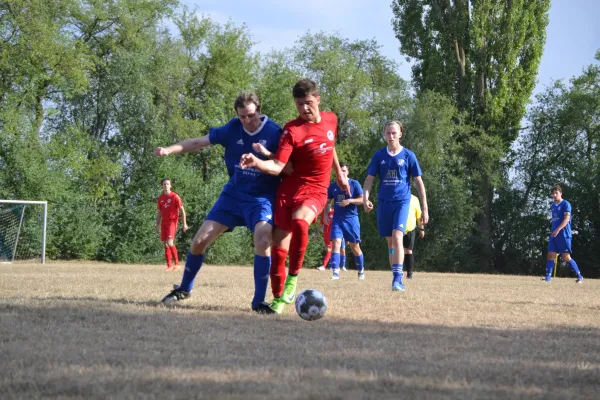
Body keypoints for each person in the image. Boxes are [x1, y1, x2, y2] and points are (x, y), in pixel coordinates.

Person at [153, 92, 283, 314]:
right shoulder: (232, 128)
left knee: (263, 240)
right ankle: (184, 289)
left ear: (258, 110)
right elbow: (198, 142)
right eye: (242, 116)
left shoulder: (275, 132)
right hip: (232, 196)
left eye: (250, 115)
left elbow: (284, 165)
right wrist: (169, 149)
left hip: (261, 199)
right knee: (199, 240)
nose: (247, 121)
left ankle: (259, 302)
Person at [240, 78, 349, 314]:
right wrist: (257, 162)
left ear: (318, 99)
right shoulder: (292, 130)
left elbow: (330, 146)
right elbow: (278, 166)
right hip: (289, 189)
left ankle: (293, 278)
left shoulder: (331, 119)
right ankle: (278, 299)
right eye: (299, 104)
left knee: (301, 221)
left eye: (308, 103)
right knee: (278, 251)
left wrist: (339, 174)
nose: (304, 108)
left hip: (316, 189)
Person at [363, 120, 429, 292]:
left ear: (400, 134)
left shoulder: (408, 156)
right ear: (384, 135)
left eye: (394, 133)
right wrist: (365, 198)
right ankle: (396, 273)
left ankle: (397, 279)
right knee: (390, 242)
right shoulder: (379, 156)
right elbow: (369, 179)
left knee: (398, 236)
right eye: (388, 133)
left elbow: (419, 182)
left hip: (402, 202)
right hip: (384, 203)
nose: (391, 136)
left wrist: (425, 208)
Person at [324, 162, 366, 280]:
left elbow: (363, 200)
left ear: (347, 172)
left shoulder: (354, 184)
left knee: (354, 247)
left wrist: (350, 201)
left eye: (344, 170)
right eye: (339, 170)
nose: (341, 172)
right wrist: (326, 214)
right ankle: (335, 272)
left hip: (351, 219)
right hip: (338, 219)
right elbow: (327, 202)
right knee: (336, 243)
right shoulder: (333, 186)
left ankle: (361, 271)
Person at [543, 185, 583, 283]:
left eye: (556, 193)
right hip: (554, 234)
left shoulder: (566, 204)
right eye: (553, 194)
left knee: (566, 257)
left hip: (564, 234)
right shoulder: (553, 206)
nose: (554, 195)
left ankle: (579, 276)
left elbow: (566, 219)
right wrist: (554, 231)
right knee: (550, 254)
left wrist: (558, 230)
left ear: (561, 193)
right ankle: (548, 279)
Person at [156, 178, 189, 271]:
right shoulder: (161, 198)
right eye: (164, 184)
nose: (166, 186)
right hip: (164, 222)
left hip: (172, 222)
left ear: (170, 186)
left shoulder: (175, 196)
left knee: (170, 242)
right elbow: (159, 212)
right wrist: (157, 224)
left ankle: (177, 264)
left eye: (167, 184)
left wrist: (184, 224)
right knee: (165, 244)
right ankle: (169, 266)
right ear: (162, 186)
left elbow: (182, 210)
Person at [403, 194, 425, 279]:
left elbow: (419, 215)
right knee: (396, 250)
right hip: (397, 227)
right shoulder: (397, 195)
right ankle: (398, 272)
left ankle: (409, 273)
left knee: (408, 251)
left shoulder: (415, 199)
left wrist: (421, 229)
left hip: (410, 228)